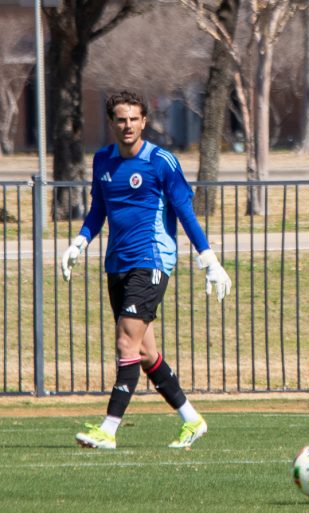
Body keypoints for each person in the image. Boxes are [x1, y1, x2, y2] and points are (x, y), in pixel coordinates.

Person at [62, 90, 232, 450]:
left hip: (152, 260)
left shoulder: (161, 161)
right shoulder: (102, 160)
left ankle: (108, 430)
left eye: (133, 119)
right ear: (112, 123)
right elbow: (98, 210)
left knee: (125, 341)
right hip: (116, 264)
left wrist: (209, 260)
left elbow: (185, 212)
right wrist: (79, 242)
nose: (127, 125)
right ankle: (192, 420)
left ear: (144, 122)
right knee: (143, 353)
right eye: (121, 119)